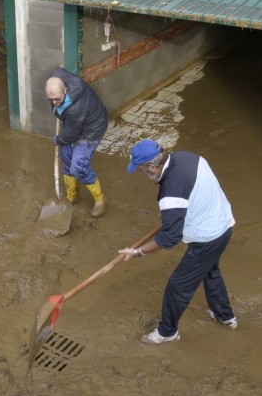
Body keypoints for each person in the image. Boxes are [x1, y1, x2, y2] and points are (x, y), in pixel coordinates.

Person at [120, 139, 238, 344]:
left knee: (178, 286)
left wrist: (138, 252)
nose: (141, 173)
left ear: (152, 166)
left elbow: (170, 238)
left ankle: (167, 332)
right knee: (210, 270)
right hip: (224, 223)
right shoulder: (188, 157)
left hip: (206, 238)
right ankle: (225, 316)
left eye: (140, 169)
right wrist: (174, 215)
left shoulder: (171, 194)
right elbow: (191, 194)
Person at [46, 68, 109, 217]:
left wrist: (58, 139)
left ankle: (100, 198)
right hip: (73, 124)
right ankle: (73, 195)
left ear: (65, 90)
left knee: (78, 167)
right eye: (50, 100)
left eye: (57, 99)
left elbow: (69, 136)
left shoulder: (75, 108)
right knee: (66, 157)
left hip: (91, 128)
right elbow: (58, 69)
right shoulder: (57, 76)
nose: (54, 103)